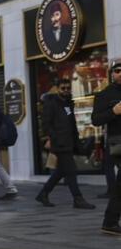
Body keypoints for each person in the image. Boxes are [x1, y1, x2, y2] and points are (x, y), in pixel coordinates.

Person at [35, 79, 95, 209]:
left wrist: (77, 141)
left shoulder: (68, 103)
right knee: (71, 170)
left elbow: (71, 124)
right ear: (57, 88)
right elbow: (46, 124)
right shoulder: (51, 103)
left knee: (61, 171)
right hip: (60, 143)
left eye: (68, 88)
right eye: (63, 88)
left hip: (69, 141)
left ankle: (43, 194)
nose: (66, 90)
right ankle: (78, 199)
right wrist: (54, 138)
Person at [91, 60, 121, 235]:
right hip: (118, 144)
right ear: (112, 73)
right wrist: (114, 112)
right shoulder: (104, 94)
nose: (120, 73)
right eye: (117, 70)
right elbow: (95, 120)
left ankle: (110, 222)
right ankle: (109, 222)